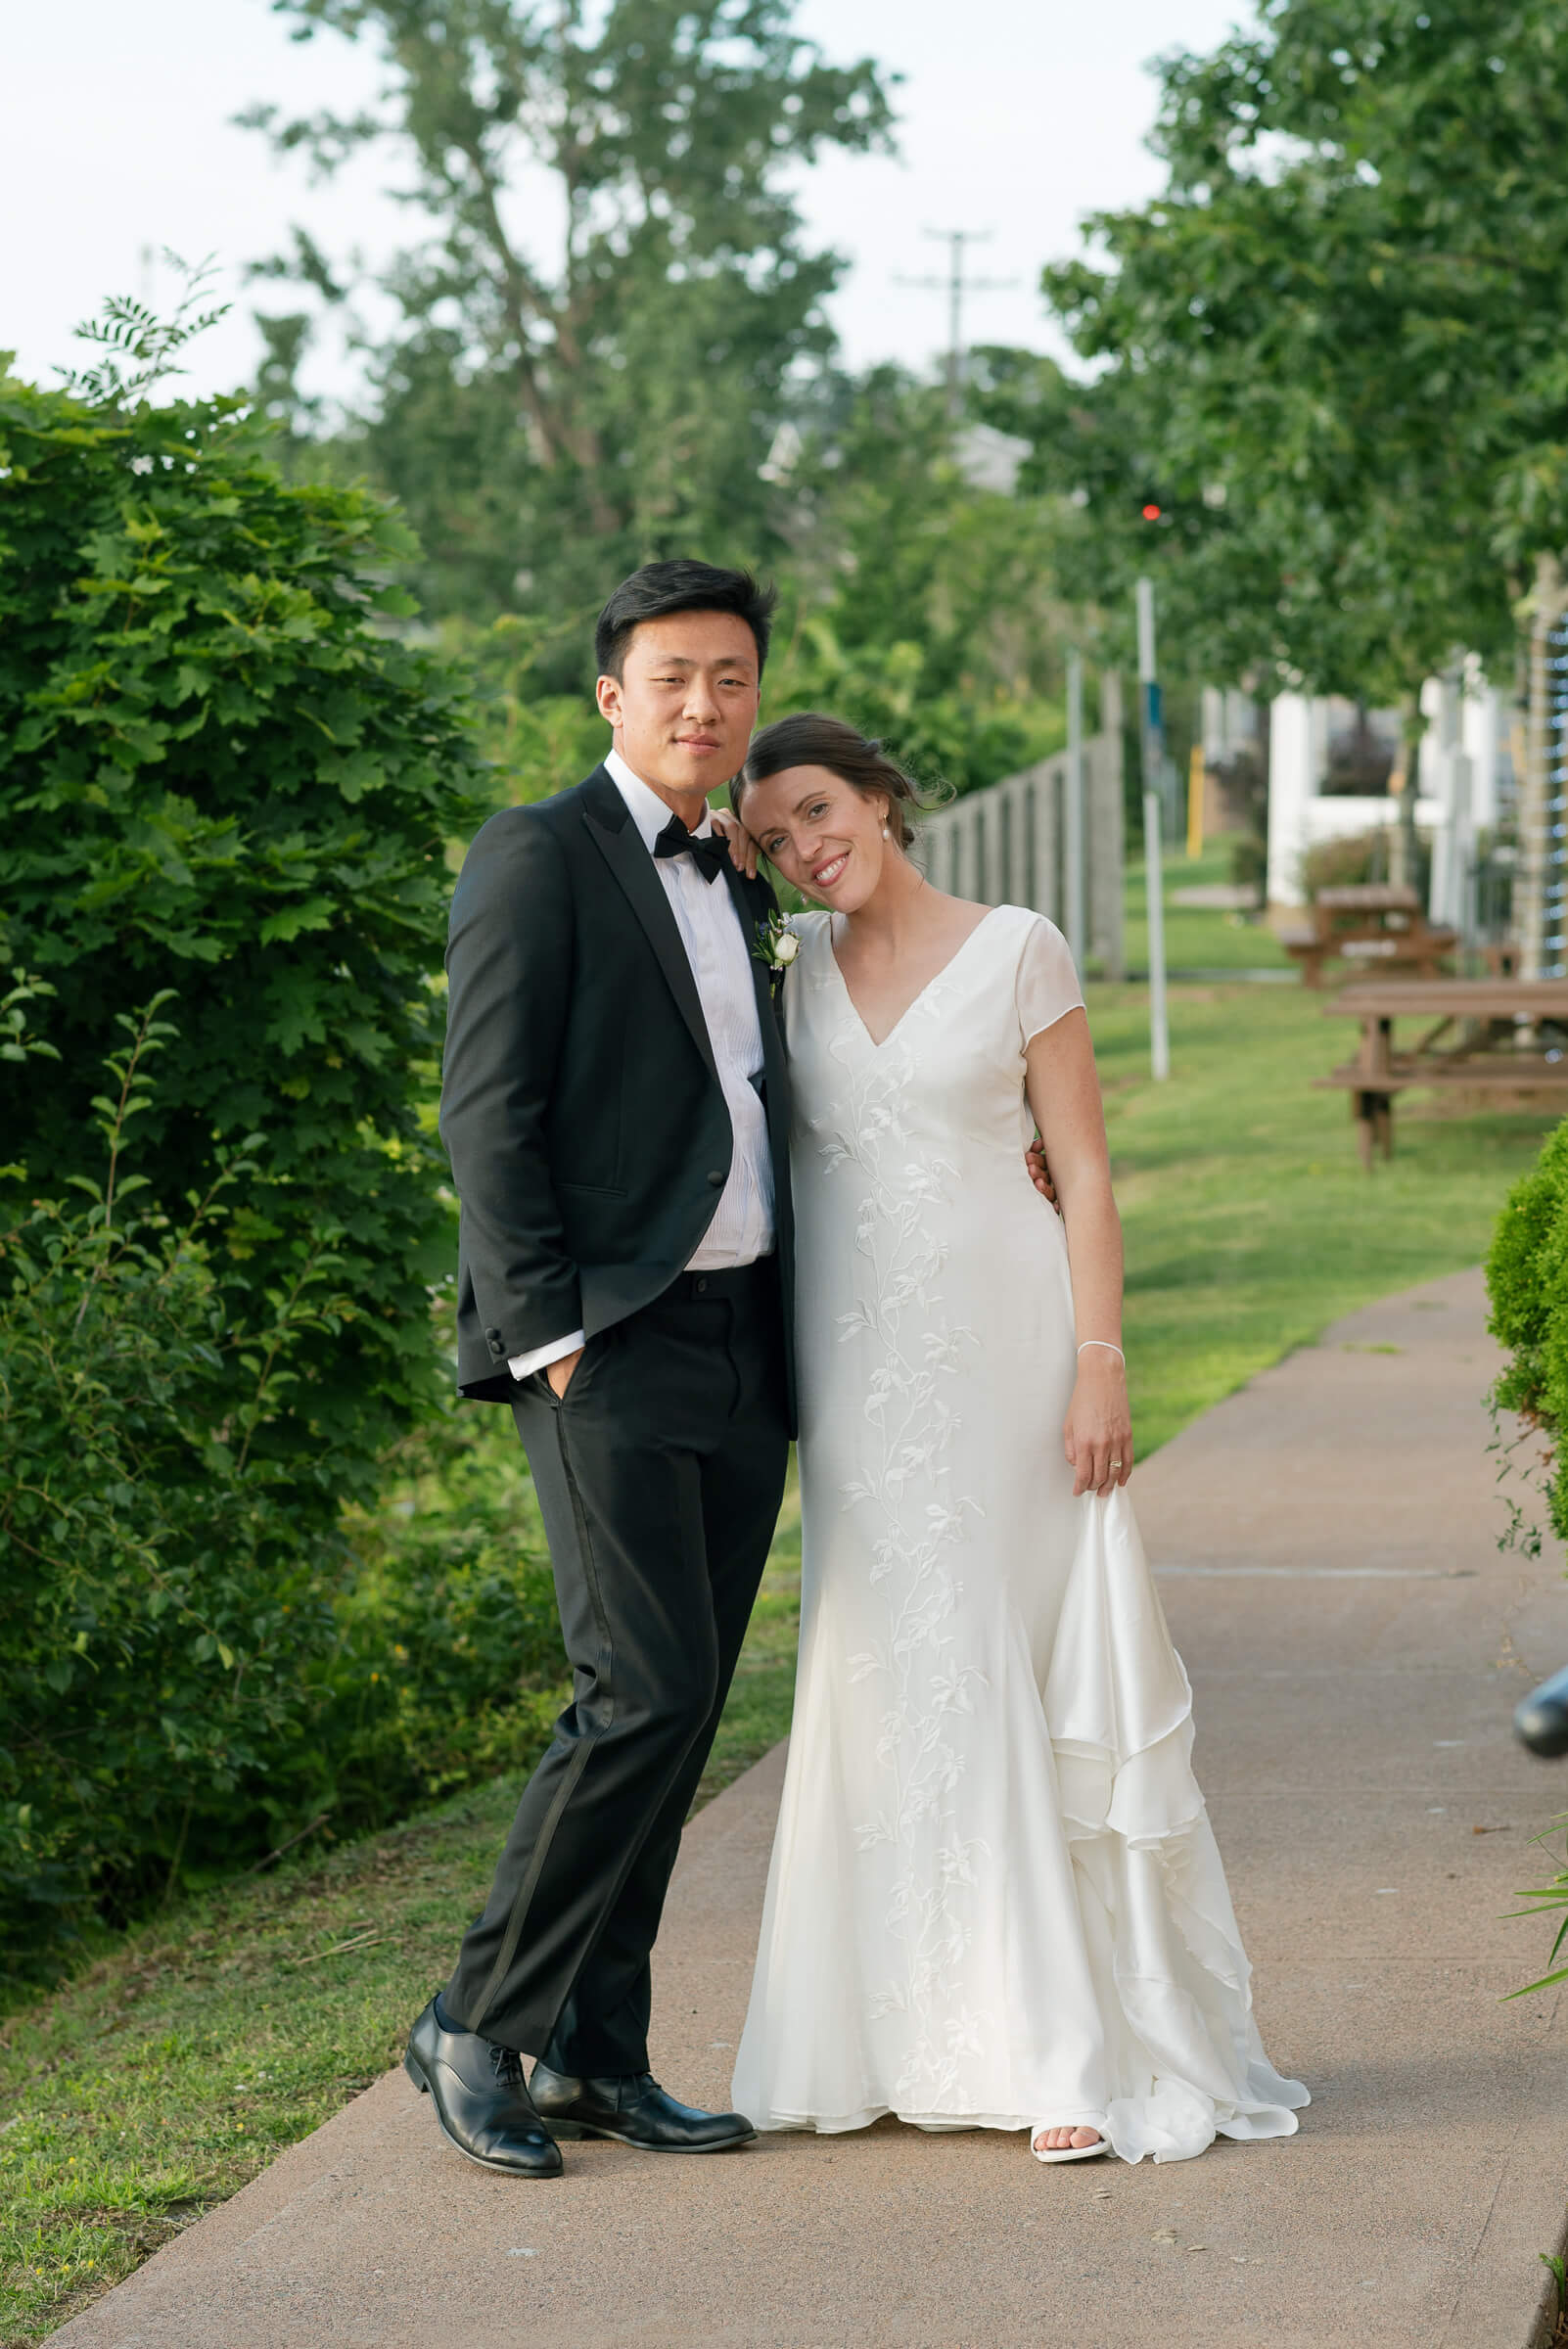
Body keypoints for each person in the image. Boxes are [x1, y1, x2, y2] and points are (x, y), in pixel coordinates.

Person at [722, 713, 1309, 2165]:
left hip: (1010, 1355)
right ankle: (880, 2035)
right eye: (774, 841)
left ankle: (1057, 2047)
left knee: (1004, 1656)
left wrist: (1099, 1359)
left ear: (876, 796)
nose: (807, 849)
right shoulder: (783, 975)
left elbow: (1086, 1166)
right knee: (882, 1669)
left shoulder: (1017, 946)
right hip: (856, 1379)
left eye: (819, 811)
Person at [403, 561, 795, 2176]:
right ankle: (471, 2027)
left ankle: (596, 2052)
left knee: (685, 1707)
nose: (705, 704)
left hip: (744, 1335)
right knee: (631, 1690)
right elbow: (483, 1108)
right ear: (610, 694)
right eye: (673, 676)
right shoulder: (538, 853)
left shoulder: (745, 866)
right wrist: (549, 1331)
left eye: (731, 677)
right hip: (605, 1344)